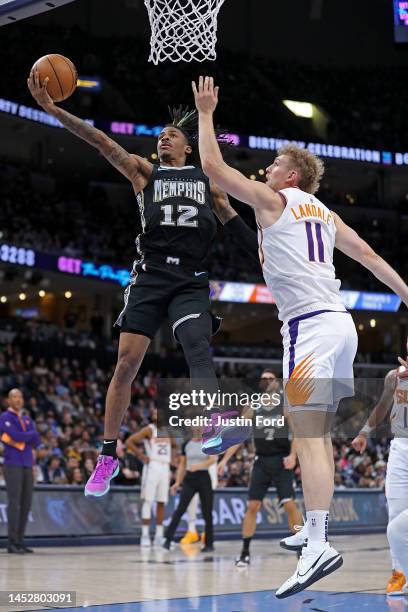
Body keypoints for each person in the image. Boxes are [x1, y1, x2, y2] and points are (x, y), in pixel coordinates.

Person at [192, 75, 408, 598]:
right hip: (342, 327)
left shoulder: (275, 199)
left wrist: (204, 113)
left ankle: (318, 544)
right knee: (313, 435)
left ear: (289, 175)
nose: (265, 171)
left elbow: (212, 169)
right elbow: (371, 258)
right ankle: (313, 532)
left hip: (309, 327)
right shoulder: (326, 214)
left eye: (272, 168)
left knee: (306, 437)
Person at [27, 70, 259, 499]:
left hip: (190, 279)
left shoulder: (210, 184)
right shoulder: (144, 174)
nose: (163, 139)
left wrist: (267, 258)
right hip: (150, 276)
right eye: (160, 135)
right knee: (126, 365)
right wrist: (53, 109)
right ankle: (108, 454)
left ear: (189, 145)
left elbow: (237, 229)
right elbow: (100, 141)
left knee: (195, 343)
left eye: (171, 135)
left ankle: (214, 421)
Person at [217, 369, 302, 567]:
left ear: (277, 382)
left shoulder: (285, 404)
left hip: (281, 460)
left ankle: (301, 550)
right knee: (252, 506)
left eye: (270, 379)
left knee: (290, 505)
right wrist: (224, 460)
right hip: (261, 461)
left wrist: (293, 455)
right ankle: (245, 552)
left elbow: (297, 432)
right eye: (263, 379)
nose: (266, 381)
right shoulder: (253, 405)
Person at [352, 349, 408, 596]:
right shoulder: (393, 376)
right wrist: (364, 431)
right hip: (400, 447)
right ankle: (399, 573)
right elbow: (383, 405)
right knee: (395, 516)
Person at [126, 408, 177, 547]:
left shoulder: (168, 431)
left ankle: (159, 536)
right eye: (154, 413)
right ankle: (145, 535)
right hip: (152, 465)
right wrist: (142, 456)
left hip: (165, 467)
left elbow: (176, 446)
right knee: (148, 500)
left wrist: (174, 459)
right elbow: (129, 441)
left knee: (161, 501)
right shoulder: (149, 430)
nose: (157, 415)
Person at [0, 389, 41, 554]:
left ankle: (21, 540)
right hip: (12, 463)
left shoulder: (26, 418)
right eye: (14, 397)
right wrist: (28, 435)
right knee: (14, 502)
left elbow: (37, 440)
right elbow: (15, 436)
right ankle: (12, 542)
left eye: (20, 397)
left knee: (26, 503)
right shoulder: (4, 418)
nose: (18, 399)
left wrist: (26, 436)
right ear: (8, 400)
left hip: (27, 464)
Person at [163, 432, 217, 552]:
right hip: (189, 479)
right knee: (180, 509)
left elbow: (213, 459)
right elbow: (182, 465)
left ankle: (209, 543)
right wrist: (177, 482)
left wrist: (199, 466)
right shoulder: (186, 444)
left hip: (204, 477)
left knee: (207, 511)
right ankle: (167, 539)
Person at [179, 460, 218, 545]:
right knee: (191, 499)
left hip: (209, 465)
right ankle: (191, 531)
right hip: (193, 463)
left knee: (207, 502)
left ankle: (207, 533)